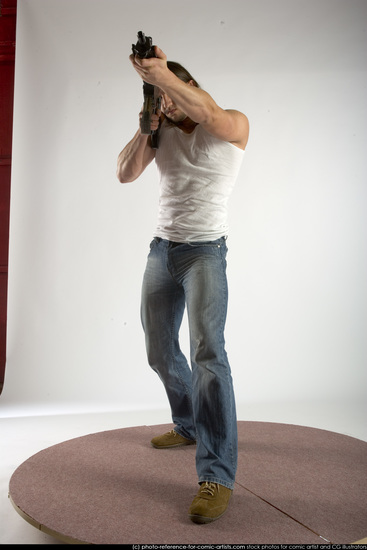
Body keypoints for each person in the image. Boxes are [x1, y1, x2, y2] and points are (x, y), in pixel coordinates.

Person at [116, 44, 249, 524]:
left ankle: (216, 474)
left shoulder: (229, 122)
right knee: (158, 350)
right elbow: (124, 173)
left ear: (186, 84)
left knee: (208, 354)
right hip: (161, 251)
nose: (165, 105)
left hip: (205, 254)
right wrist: (145, 127)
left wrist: (160, 76)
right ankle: (189, 423)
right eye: (156, 96)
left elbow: (206, 109)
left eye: (168, 95)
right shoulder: (161, 131)